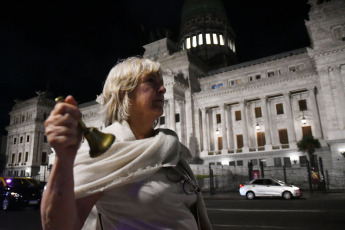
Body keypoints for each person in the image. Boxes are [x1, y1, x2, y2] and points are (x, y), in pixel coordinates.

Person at [41, 57, 212, 230]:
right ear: (125, 93)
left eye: (162, 82)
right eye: (151, 81)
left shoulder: (170, 147)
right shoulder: (103, 150)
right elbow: (59, 225)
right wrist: (63, 159)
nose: (163, 89)